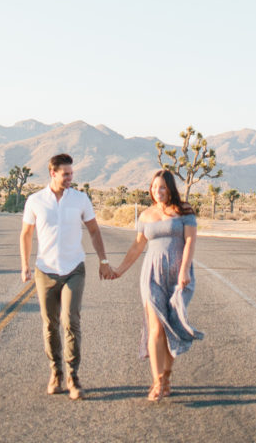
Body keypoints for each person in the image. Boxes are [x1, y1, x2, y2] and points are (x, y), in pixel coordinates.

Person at [20, 153, 116, 400]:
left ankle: (73, 376)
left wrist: (103, 261)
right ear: (53, 173)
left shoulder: (80, 199)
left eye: (72, 173)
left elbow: (94, 230)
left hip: (74, 268)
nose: (70, 178)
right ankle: (56, 373)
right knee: (50, 324)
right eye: (66, 174)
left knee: (71, 321)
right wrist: (25, 266)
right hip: (46, 271)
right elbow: (26, 235)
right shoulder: (35, 201)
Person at [112, 169, 203, 400]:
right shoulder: (145, 216)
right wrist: (119, 270)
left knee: (171, 325)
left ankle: (168, 375)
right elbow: (137, 246)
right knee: (155, 327)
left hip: (177, 275)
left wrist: (184, 270)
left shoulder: (184, 212)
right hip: (151, 274)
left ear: (170, 188)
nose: (157, 191)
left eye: (162, 187)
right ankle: (157, 381)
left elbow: (190, 241)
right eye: (154, 187)